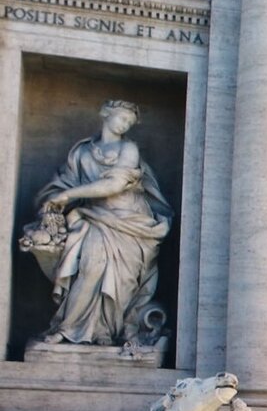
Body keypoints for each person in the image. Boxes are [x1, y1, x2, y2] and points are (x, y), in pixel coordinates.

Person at [19, 99, 172, 347]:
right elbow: (61, 185)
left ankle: (106, 331)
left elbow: (115, 185)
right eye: (122, 118)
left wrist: (69, 195)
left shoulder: (129, 148)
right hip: (94, 219)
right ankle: (68, 328)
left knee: (122, 281)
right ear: (105, 114)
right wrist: (57, 199)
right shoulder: (81, 153)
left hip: (131, 224)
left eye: (129, 122)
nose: (125, 125)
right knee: (91, 267)